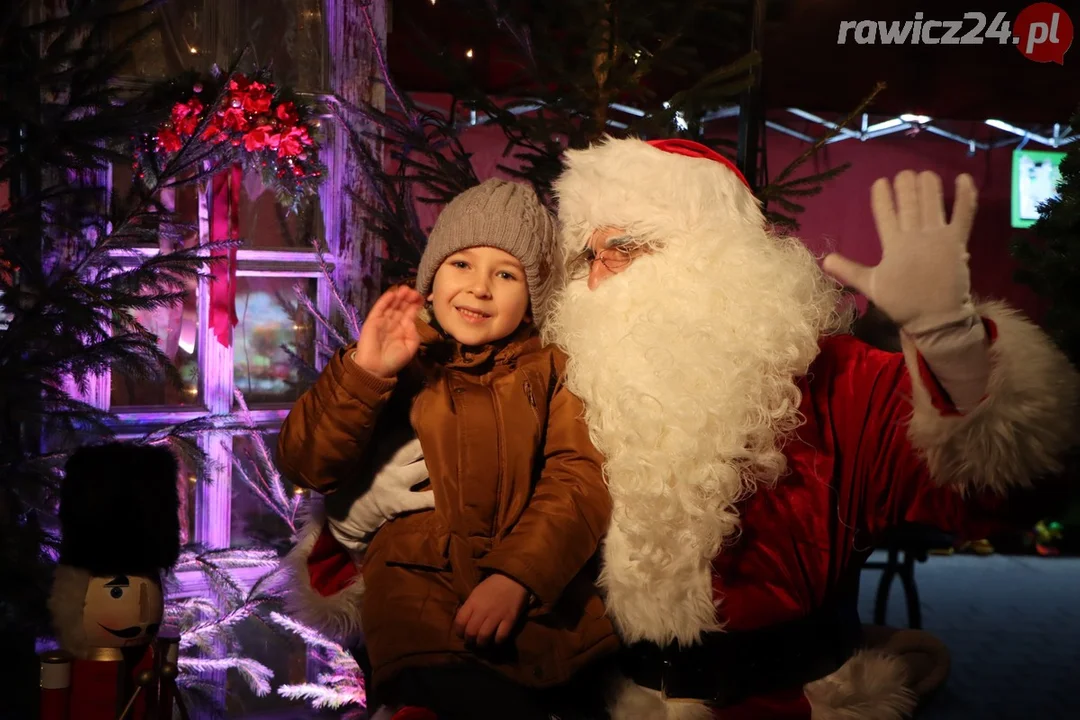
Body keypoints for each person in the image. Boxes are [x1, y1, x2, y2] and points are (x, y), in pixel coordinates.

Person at [536, 137, 1079, 719]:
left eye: (622, 247)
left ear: (714, 257)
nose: (596, 281)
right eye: (588, 257)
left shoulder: (835, 379)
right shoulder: (570, 385)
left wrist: (952, 342)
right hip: (616, 700)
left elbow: (1008, 495)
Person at [277, 179, 620, 720]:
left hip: (539, 622)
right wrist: (365, 374)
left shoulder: (553, 371)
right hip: (422, 624)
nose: (480, 288)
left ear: (531, 297)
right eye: (461, 264)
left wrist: (518, 577)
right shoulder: (399, 357)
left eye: (505, 274)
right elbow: (307, 462)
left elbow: (577, 481)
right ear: (432, 279)